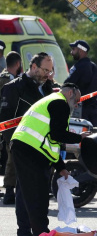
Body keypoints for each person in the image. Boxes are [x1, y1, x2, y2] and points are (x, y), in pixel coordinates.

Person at [12, 83, 85, 236]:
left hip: (25, 147)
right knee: (38, 196)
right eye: (77, 100)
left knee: (27, 194)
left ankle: (26, 235)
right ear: (70, 92)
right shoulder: (60, 103)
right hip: (30, 151)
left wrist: (61, 168)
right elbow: (57, 134)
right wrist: (80, 137)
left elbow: (51, 142)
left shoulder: (50, 101)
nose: (77, 104)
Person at [0, 53, 55, 209]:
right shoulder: (13, 87)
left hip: (43, 141)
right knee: (15, 166)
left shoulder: (47, 87)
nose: (48, 75)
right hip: (21, 141)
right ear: (34, 67)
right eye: (45, 70)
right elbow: (6, 119)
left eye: (50, 71)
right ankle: (10, 191)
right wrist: (13, 142)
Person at [66, 40, 97, 125]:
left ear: (81, 51)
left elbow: (67, 85)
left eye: (73, 49)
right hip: (94, 110)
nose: (71, 52)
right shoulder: (95, 67)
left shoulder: (78, 67)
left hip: (80, 110)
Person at [0, 51, 22, 179]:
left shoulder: (2, 76)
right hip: (6, 121)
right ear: (18, 63)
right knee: (10, 153)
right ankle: (9, 190)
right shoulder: (10, 80)